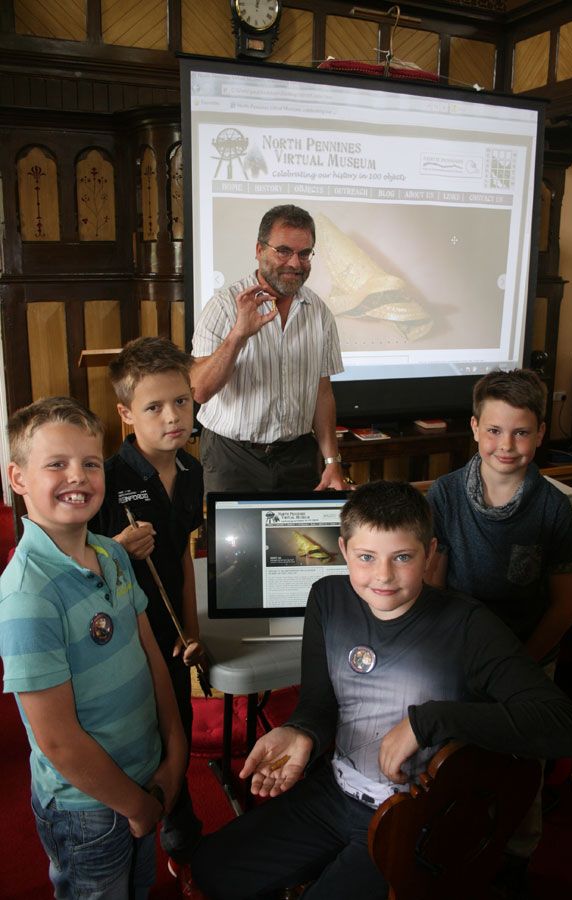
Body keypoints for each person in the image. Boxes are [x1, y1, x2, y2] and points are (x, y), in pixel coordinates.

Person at [187, 481, 572, 900]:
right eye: (366, 557)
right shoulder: (327, 597)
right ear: (343, 551)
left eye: (403, 558)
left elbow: (563, 726)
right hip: (337, 792)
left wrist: (426, 722)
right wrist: (303, 732)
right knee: (212, 868)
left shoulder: (468, 625)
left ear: (430, 553)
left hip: (417, 817)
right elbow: (319, 704)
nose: (383, 576)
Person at [0, 397, 187, 900]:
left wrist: (176, 749)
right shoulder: (27, 595)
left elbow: (151, 655)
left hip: (147, 776)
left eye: (88, 463)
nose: (77, 477)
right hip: (89, 810)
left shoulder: (111, 552)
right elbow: (58, 740)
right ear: (18, 479)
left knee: (139, 887)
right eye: (56, 464)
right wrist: (134, 804)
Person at [426, 367, 572, 893]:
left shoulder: (552, 508)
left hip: (528, 656)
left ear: (541, 433)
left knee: (524, 763)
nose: (507, 445)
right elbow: (435, 589)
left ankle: (517, 855)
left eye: (521, 432)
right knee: (457, 755)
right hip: (464, 655)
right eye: (494, 430)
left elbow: (563, 606)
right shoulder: (445, 496)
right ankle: (448, 841)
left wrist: (518, 668)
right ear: (474, 428)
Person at [89, 337, 205, 875]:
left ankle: (181, 830)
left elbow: (182, 555)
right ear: (125, 413)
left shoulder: (192, 469)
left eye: (181, 401)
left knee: (176, 722)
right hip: (114, 639)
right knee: (132, 736)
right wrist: (114, 550)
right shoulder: (104, 478)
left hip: (167, 630)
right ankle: (123, 835)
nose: (172, 416)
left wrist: (190, 628)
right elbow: (76, 568)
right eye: (154, 407)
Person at [190, 204, 345, 493]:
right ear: (260, 250)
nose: (295, 263)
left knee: (299, 539)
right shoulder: (223, 307)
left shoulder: (319, 312)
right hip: (232, 457)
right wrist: (238, 335)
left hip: (298, 457)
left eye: (304, 253)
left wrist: (332, 460)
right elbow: (199, 390)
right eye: (283, 251)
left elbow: (322, 393)